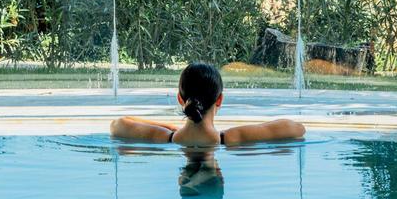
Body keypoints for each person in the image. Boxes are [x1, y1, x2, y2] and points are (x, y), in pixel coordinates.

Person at [109, 62, 306, 145]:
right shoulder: (234, 138)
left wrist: (172, 129)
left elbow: (118, 124)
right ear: (219, 99)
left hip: (175, 138)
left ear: (180, 99)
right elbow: (296, 128)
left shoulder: (163, 138)